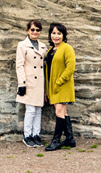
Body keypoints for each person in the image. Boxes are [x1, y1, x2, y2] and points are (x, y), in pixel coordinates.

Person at [44, 22, 77, 151]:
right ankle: (69, 139)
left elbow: (70, 68)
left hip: (62, 86)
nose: (56, 36)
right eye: (53, 33)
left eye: (59, 33)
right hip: (53, 87)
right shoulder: (50, 50)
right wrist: (48, 90)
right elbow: (49, 71)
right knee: (63, 112)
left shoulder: (67, 48)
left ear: (63, 35)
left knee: (59, 112)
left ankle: (56, 140)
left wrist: (58, 82)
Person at [15, 20, 47, 147]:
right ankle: (27, 135)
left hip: (40, 82)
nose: (35, 32)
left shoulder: (43, 46)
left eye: (37, 30)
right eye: (32, 29)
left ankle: (36, 135)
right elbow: (19, 65)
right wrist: (21, 83)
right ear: (28, 31)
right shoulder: (22, 45)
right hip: (28, 81)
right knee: (30, 110)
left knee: (38, 109)